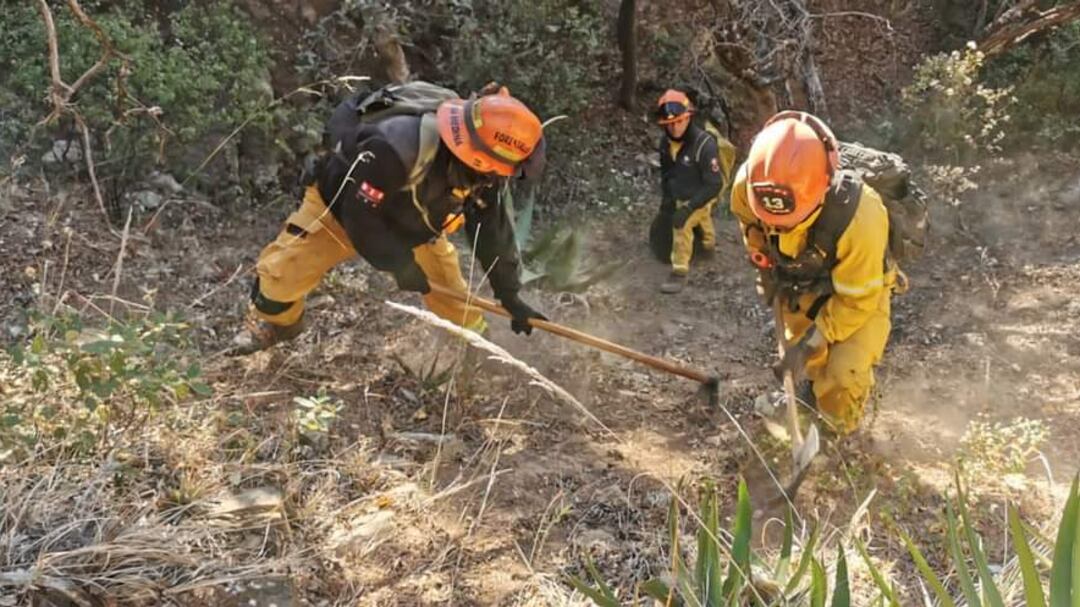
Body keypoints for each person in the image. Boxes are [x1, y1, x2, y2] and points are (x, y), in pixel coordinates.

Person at [232, 83, 547, 354]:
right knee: (277, 283)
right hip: (339, 211)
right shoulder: (396, 145)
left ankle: (477, 349)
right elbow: (360, 218)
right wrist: (400, 265)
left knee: (452, 296)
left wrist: (509, 294)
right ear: (479, 158)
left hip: (416, 225)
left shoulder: (485, 172)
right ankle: (279, 324)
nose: (505, 176)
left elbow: (493, 231)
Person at [730, 111, 897, 435]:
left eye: (789, 221)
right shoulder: (746, 187)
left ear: (822, 189)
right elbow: (750, 226)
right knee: (810, 367)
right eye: (772, 219)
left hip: (858, 292)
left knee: (843, 373)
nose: (778, 226)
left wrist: (812, 341)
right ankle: (807, 401)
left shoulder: (862, 217)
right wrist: (764, 265)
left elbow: (857, 300)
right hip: (799, 281)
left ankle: (838, 437)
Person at [654, 89, 725, 294]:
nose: (674, 127)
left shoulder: (704, 145)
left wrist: (688, 207)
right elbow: (667, 173)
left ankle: (679, 272)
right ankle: (708, 245)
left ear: (688, 118)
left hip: (701, 194)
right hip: (680, 193)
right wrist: (667, 199)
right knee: (701, 221)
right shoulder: (666, 143)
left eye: (679, 121)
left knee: (681, 224)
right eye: (669, 124)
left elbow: (714, 184)